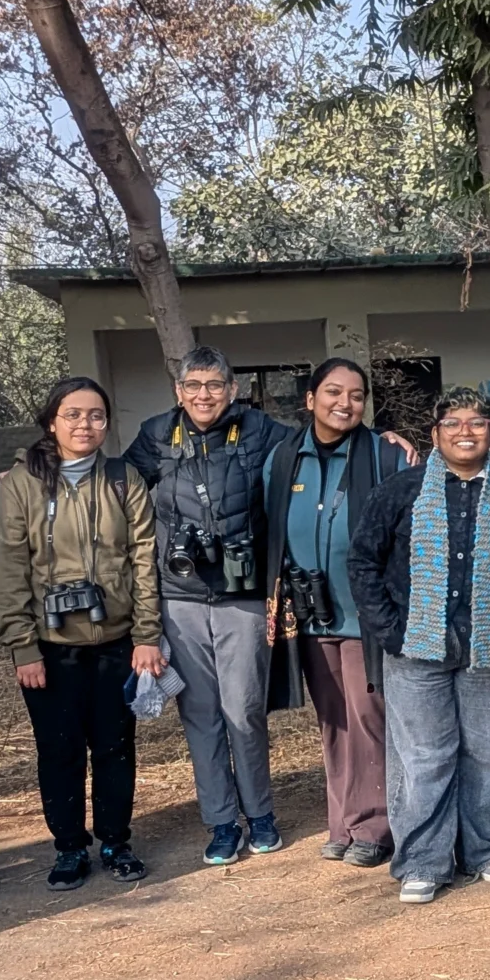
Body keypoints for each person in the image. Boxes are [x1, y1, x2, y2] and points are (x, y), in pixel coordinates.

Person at [123, 346, 296, 865]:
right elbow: (115, 490)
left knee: (244, 708)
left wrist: (386, 439)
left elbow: (317, 447)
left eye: (215, 385)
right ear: (179, 391)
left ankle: (259, 813)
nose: (204, 395)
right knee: (200, 714)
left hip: (243, 596)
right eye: (193, 386)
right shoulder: (156, 435)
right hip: (179, 598)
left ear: (233, 389)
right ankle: (221, 822)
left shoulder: (261, 431)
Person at [0, 376, 164, 890]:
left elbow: (144, 560)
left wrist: (147, 634)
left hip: (116, 642)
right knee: (59, 749)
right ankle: (69, 847)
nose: (84, 424)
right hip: (50, 648)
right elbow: (8, 569)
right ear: (52, 421)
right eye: (72, 414)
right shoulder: (21, 484)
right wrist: (23, 646)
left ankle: (115, 841)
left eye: (95, 415)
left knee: (115, 746)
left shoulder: (122, 479)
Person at [351, 386, 490, 904]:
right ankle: (423, 860)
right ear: (435, 433)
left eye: (477, 423)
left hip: (487, 644)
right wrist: (393, 630)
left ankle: (485, 849)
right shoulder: (402, 491)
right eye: (453, 423)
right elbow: (363, 562)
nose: (465, 432)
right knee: (424, 758)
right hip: (415, 647)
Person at [262, 358, 408, 868]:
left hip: (367, 615)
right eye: (332, 392)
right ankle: (342, 822)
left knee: (369, 717)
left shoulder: (385, 455)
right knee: (333, 721)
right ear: (310, 399)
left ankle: (376, 826)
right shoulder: (284, 458)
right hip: (309, 616)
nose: (344, 403)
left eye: (356, 395)